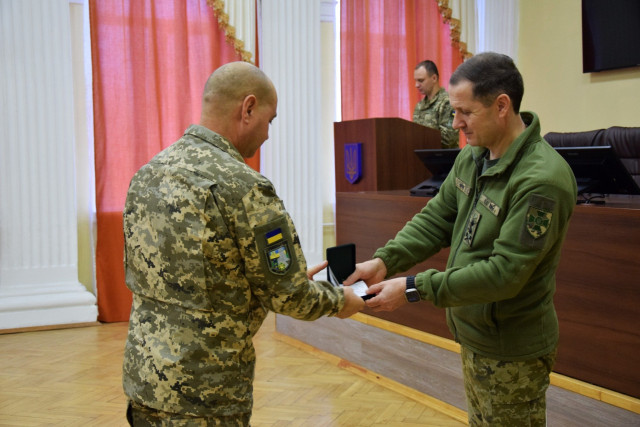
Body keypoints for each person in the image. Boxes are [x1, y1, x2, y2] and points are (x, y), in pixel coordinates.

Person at [122, 61, 365, 426]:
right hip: (206, 396)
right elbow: (290, 297)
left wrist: (272, 285)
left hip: (144, 382)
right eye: (270, 120)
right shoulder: (246, 188)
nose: (267, 134)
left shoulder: (148, 174)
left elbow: (179, 281)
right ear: (248, 108)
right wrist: (340, 300)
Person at [345, 52, 577, 426]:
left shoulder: (542, 180)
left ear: (501, 106)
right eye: (454, 111)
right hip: (474, 334)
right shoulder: (473, 156)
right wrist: (385, 261)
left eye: (465, 112)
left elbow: (504, 274)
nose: (456, 123)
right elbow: (436, 219)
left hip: (512, 349)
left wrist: (413, 288)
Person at [412, 59, 459, 148]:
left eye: (421, 80)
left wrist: (420, 139)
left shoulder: (447, 102)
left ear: (434, 78)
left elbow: (449, 139)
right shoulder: (419, 106)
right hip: (421, 155)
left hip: (443, 156)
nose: (416, 85)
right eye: (416, 81)